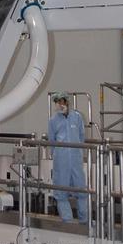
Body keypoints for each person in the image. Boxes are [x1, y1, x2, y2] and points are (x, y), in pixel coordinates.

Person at [47, 93, 88, 224]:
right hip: (61, 159)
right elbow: (51, 140)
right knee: (61, 191)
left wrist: (79, 151)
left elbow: (81, 136)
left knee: (81, 190)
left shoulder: (77, 117)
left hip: (76, 158)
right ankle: (67, 220)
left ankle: (84, 220)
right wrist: (56, 155)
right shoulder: (53, 120)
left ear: (67, 102)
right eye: (57, 102)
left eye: (61, 102)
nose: (60, 105)